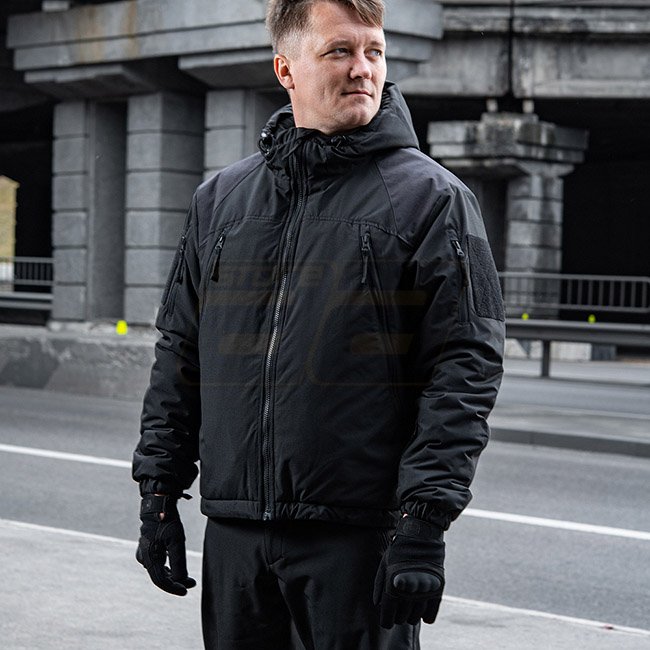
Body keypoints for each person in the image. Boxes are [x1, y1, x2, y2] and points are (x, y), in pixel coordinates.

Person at [132, 0, 505, 648]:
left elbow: (464, 365)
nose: (364, 69)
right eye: (340, 51)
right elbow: (180, 352)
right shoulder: (221, 200)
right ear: (286, 69)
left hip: (357, 542)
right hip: (237, 540)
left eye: (374, 51)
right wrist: (158, 494)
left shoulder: (434, 200)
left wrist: (423, 521)